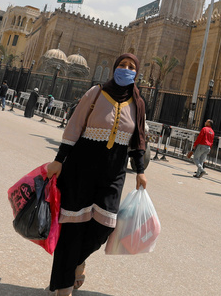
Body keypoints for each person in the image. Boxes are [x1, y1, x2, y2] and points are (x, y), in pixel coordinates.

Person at [44, 53, 148, 296]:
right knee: (73, 228)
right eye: (122, 65)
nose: (126, 69)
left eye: (131, 67)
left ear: (137, 73)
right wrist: (59, 160)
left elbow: (138, 139)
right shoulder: (96, 93)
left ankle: (75, 263)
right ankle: (64, 286)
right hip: (81, 167)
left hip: (114, 172)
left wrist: (140, 171)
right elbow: (74, 126)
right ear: (114, 68)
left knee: (104, 226)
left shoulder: (138, 103)